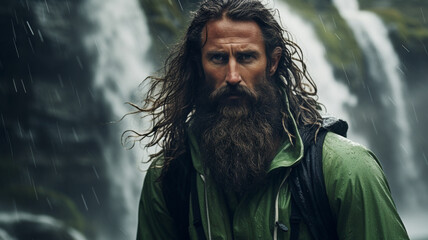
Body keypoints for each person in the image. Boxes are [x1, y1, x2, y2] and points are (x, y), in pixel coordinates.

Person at [133, 0, 409, 239]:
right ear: (198, 66)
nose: (232, 76)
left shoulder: (346, 170)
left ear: (273, 63)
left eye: (246, 57)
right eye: (217, 58)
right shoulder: (168, 178)